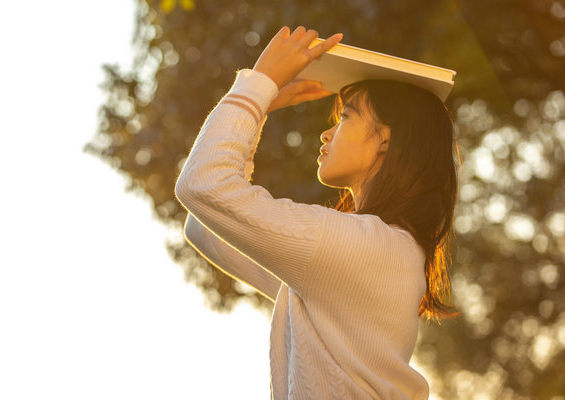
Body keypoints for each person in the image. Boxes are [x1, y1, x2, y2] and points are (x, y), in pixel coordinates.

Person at [175, 26, 459, 400]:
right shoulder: (371, 251)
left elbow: (203, 185)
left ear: (385, 141)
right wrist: (258, 113)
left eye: (345, 117)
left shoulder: (364, 248)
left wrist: (259, 87)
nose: (326, 135)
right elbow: (206, 229)